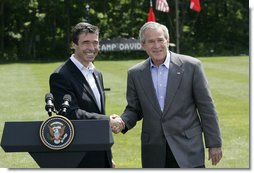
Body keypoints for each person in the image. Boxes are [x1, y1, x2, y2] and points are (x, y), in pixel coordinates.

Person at [112, 22, 222, 168]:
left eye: (160, 40)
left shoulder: (192, 66)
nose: (156, 45)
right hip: (154, 150)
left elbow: (207, 108)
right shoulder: (135, 73)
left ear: (167, 41)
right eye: (151, 41)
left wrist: (214, 143)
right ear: (143, 45)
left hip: (188, 149)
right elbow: (134, 109)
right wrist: (123, 122)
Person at [49, 22, 122, 168]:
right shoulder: (60, 75)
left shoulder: (97, 73)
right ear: (74, 44)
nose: (92, 48)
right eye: (86, 42)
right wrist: (107, 120)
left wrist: (108, 155)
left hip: (101, 152)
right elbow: (70, 113)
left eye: (95, 42)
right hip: (79, 155)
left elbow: (97, 110)